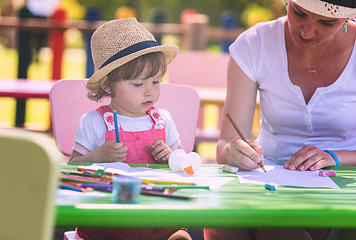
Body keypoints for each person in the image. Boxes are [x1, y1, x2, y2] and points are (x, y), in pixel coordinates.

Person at [205, 0, 356, 239]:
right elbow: (226, 144)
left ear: (347, 19)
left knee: (277, 227)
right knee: (219, 222)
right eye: (299, 13)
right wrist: (235, 151)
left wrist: (336, 157)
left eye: (326, 23)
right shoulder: (255, 44)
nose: (307, 31)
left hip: (344, 181)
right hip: (267, 177)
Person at [70, 18, 191, 240]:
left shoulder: (162, 120)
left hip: (158, 216)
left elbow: (188, 169)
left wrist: (172, 158)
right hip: (108, 219)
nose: (150, 92)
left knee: (181, 237)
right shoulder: (94, 122)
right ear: (107, 84)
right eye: (138, 84)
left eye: (156, 82)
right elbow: (70, 171)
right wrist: (98, 157)